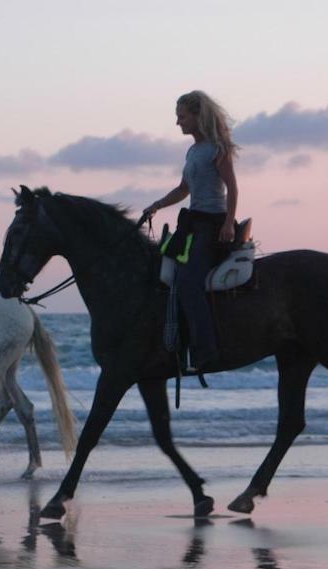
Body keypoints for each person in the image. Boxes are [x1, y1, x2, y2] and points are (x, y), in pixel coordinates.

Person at [143, 90, 239, 372]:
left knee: (188, 281)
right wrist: (158, 204)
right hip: (193, 223)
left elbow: (232, 188)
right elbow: (184, 189)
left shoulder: (217, 148)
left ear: (198, 116)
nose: (178, 123)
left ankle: (205, 351)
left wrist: (229, 223)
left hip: (212, 223)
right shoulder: (193, 151)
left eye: (182, 116)